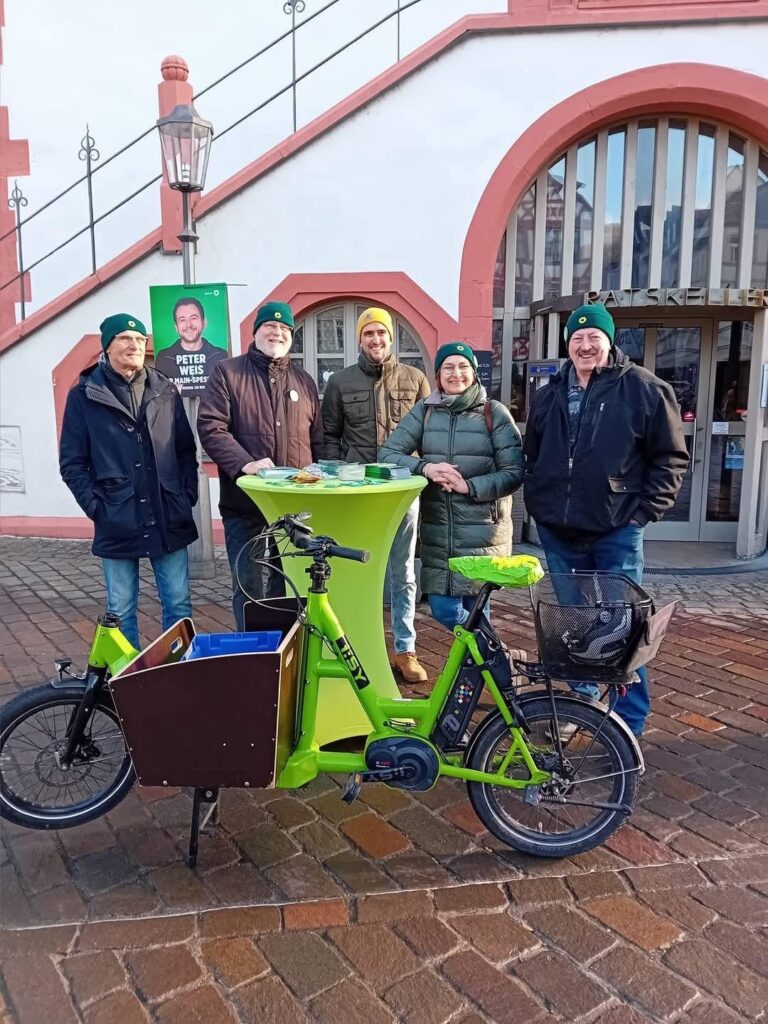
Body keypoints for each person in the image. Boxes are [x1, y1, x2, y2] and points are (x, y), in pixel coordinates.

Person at [523, 303, 689, 737]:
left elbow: (670, 458)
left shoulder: (644, 389)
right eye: (576, 338)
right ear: (567, 344)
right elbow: (534, 455)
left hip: (616, 529)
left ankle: (628, 724)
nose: (585, 345)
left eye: (593, 337)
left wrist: (642, 515)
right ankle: (584, 702)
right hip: (559, 533)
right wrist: (540, 503)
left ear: (609, 340)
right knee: (573, 626)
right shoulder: (550, 392)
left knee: (624, 626)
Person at [59, 313, 198, 651]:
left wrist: (186, 495)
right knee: (121, 610)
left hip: (168, 513)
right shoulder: (85, 396)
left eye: (139, 340)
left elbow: (184, 450)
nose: (135, 345)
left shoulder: (165, 390)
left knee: (178, 605)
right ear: (107, 347)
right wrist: (97, 508)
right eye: (125, 339)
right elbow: (73, 462)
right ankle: (128, 683)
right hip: (117, 516)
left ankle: (176, 672)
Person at [380, 341, 524, 631]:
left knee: (476, 612)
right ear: (438, 375)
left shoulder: (493, 413)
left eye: (462, 366)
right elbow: (387, 454)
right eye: (448, 367)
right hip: (439, 531)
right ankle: (496, 661)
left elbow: (513, 473)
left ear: (473, 372)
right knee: (444, 610)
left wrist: (467, 486)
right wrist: (426, 468)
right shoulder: (426, 411)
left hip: (482, 532)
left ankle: (479, 673)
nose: (455, 373)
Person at [321, 307, 431, 683]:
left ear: (391, 337)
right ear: (360, 339)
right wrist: (336, 483)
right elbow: (329, 438)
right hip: (356, 491)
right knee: (356, 569)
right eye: (368, 334)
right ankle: (357, 647)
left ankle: (405, 650)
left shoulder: (415, 379)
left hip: (401, 491)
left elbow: (427, 437)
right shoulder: (340, 382)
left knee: (402, 573)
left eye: (381, 333)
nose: (376, 340)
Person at [198, 300, 323, 628]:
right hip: (245, 506)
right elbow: (211, 427)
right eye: (270, 326)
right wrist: (245, 463)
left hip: (293, 508)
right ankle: (252, 652)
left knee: (289, 585)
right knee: (249, 586)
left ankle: (286, 647)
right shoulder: (228, 373)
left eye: (284, 329)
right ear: (255, 332)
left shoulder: (305, 382)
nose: (277, 332)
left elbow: (318, 439)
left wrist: (319, 475)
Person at [154, 296, 228, 393]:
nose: (188, 325)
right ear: (176, 327)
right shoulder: (164, 358)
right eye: (182, 320)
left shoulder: (220, 356)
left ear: (203, 322)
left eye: (193, 318)